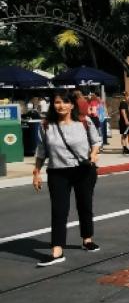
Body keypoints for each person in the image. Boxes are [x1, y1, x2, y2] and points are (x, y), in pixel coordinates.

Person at [32, 90, 102, 266]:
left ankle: (87, 239)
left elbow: (96, 141)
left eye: (65, 102)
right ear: (53, 105)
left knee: (84, 205)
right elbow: (41, 151)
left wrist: (94, 154)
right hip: (58, 172)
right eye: (57, 102)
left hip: (83, 170)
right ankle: (57, 250)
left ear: (72, 105)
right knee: (59, 210)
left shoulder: (84, 122)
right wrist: (36, 172)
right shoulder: (46, 125)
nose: (61, 106)